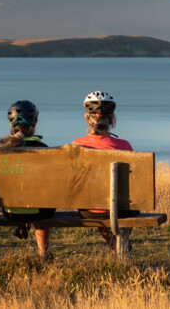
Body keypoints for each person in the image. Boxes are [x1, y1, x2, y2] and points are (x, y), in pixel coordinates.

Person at [71, 90, 137, 252]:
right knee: (128, 209)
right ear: (112, 119)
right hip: (120, 209)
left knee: (98, 205)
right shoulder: (124, 146)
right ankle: (119, 246)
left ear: (87, 118)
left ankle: (115, 246)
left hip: (89, 211)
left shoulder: (76, 144)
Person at [0, 100, 54, 259]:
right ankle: (44, 253)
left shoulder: (1, 150)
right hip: (39, 211)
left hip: (10, 211)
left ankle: (22, 224)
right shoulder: (44, 149)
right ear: (35, 122)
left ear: (10, 124)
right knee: (42, 201)